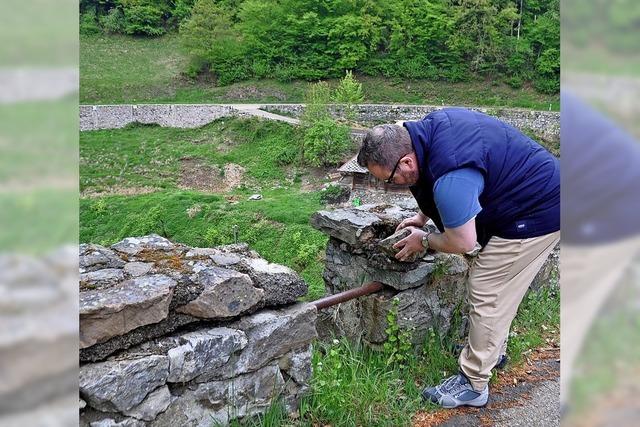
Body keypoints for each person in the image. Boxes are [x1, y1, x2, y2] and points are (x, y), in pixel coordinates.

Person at [356, 108, 560, 409]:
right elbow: (428, 182)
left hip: (539, 208)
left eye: (389, 179)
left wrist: (424, 239)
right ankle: (489, 351)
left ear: (406, 160)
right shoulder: (422, 135)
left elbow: (464, 241)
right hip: (533, 189)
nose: (392, 185)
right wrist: (421, 215)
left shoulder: (451, 177)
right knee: (495, 286)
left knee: (487, 288)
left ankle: (474, 383)